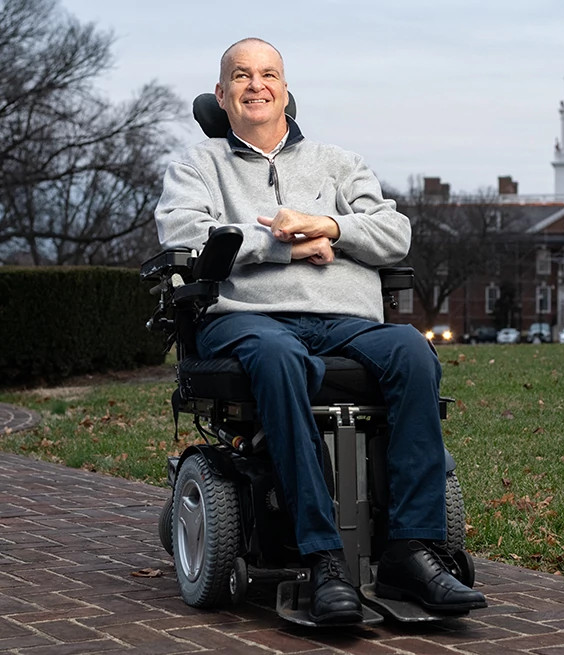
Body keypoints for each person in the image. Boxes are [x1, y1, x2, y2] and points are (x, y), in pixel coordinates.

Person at [156, 37, 486, 624]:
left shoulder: (339, 162)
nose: (256, 85)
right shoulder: (196, 166)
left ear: (286, 90)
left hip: (344, 321)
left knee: (411, 351)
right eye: (241, 75)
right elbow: (191, 238)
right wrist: (287, 244)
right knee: (280, 360)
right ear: (221, 94)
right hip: (245, 321)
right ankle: (323, 557)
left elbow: (393, 234)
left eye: (268, 75)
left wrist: (325, 222)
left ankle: (412, 550)